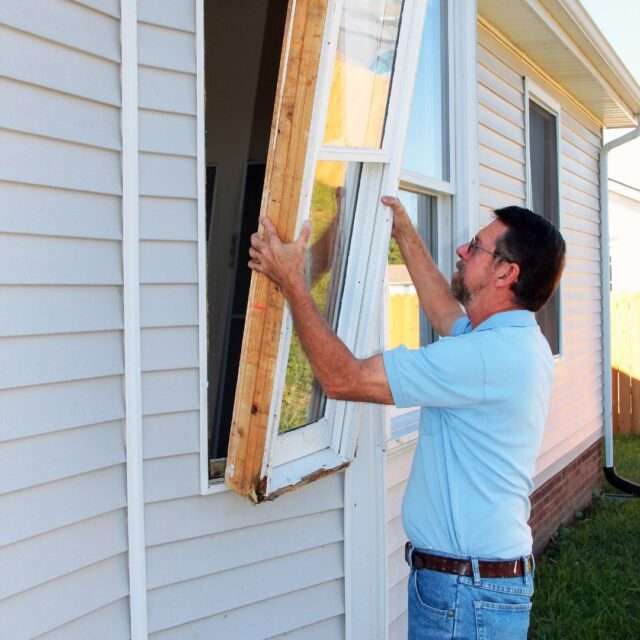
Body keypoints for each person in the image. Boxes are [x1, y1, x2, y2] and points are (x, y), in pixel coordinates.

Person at [248, 196, 566, 640]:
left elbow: (344, 379)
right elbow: (446, 315)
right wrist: (403, 230)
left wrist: (293, 283)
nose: (461, 251)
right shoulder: (513, 340)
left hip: (464, 592)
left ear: (505, 273)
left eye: (475, 247)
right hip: (472, 585)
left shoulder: (484, 358)